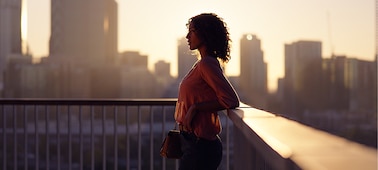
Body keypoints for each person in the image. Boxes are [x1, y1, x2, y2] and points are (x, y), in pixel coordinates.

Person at [174, 13, 240, 170]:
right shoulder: (202, 64)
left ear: (205, 34)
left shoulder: (206, 65)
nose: (187, 36)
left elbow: (230, 100)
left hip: (200, 147)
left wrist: (195, 108)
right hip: (192, 143)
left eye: (192, 31)